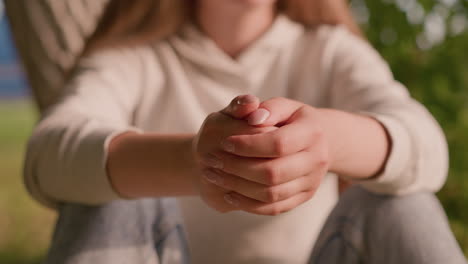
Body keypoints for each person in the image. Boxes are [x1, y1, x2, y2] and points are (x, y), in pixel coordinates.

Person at [22, 0, 466, 263]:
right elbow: (47, 154)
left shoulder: (327, 50)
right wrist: (194, 163)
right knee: (105, 195)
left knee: (399, 197)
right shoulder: (134, 57)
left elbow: (425, 146)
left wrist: (324, 140)